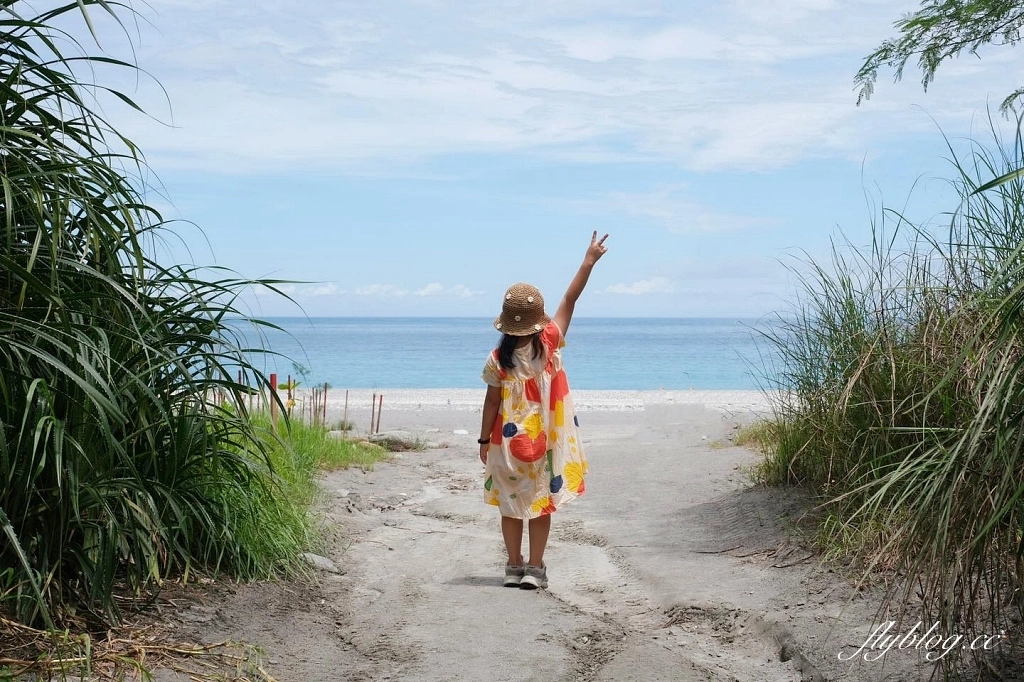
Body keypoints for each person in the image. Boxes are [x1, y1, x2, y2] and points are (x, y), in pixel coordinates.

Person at [479, 231, 609, 589]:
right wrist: (588, 261)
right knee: (539, 504)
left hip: (507, 443)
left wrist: (482, 440)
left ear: (506, 322)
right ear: (538, 320)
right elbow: (570, 298)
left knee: (510, 504)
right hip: (544, 440)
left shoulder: (497, 359)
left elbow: (491, 402)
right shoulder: (548, 343)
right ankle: (534, 570)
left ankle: (512, 566)